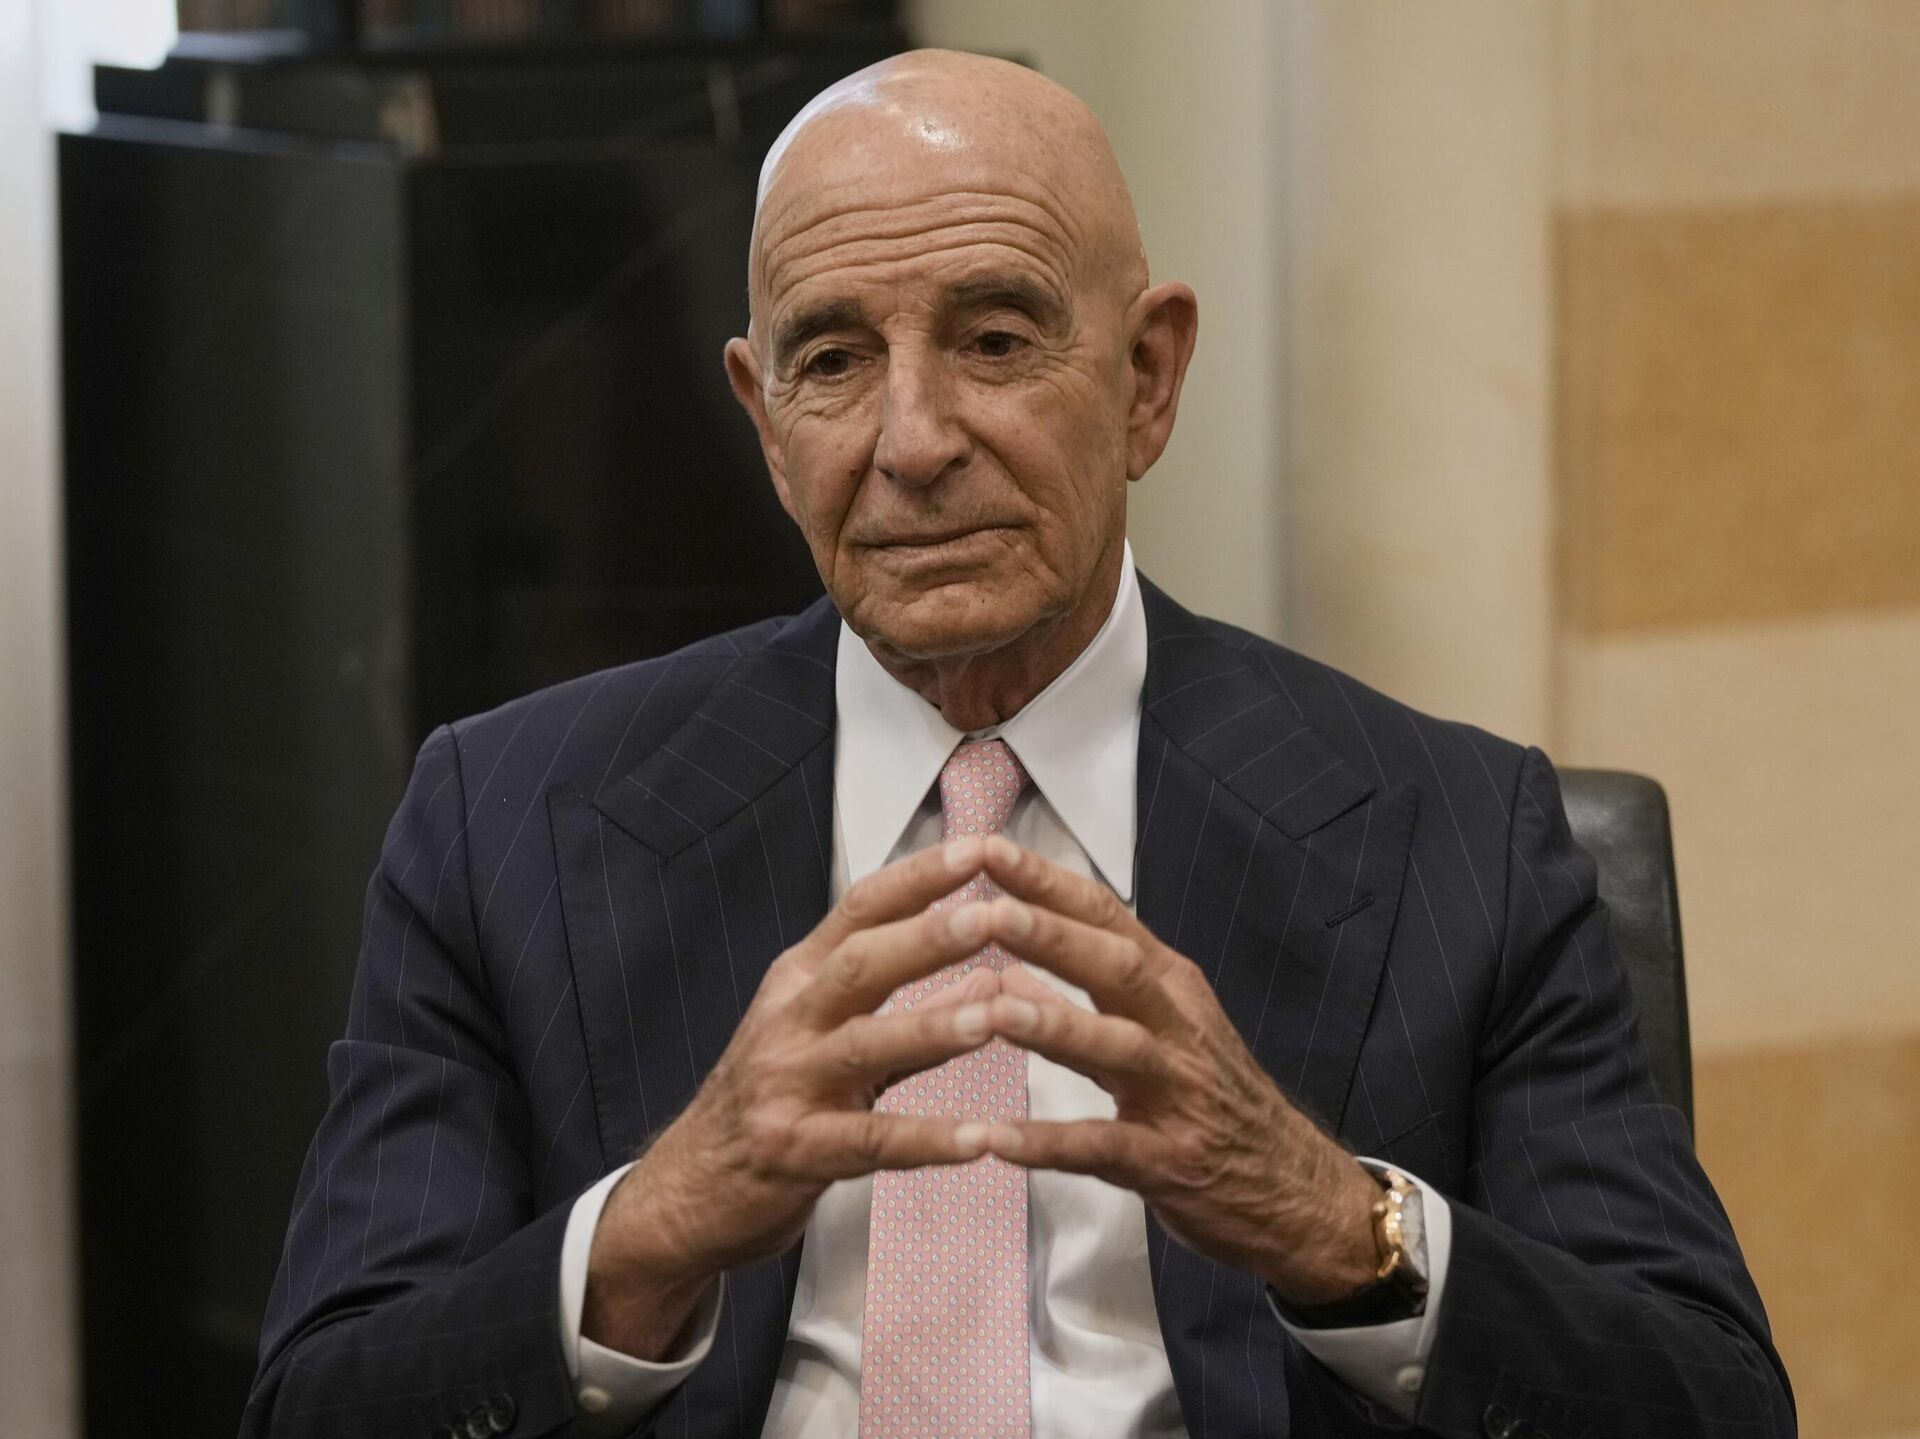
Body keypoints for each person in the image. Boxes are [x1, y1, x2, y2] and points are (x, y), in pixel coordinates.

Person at [245, 49, 1793, 1439]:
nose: (914, 442)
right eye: (834, 361)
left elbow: (1712, 1405)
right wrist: (656, 1226)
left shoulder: (1457, 836)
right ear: (765, 421)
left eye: (994, 340)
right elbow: (321, 1406)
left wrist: (1329, 1219)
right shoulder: (506, 821)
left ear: (1146, 380)